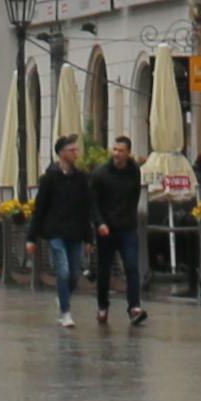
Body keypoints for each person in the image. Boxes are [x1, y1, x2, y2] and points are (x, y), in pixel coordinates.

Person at [31, 138, 94, 328]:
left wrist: (88, 237)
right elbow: (40, 208)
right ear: (61, 153)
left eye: (76, 149)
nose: (76, 153)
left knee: (74, 274)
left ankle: (63, 295)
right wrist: (31, 237)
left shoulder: (82, 178)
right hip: (55, 231)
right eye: (72, 150)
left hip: (75, 232)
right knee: (63, 270)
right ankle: (65, 312)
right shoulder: (49, 179)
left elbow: (86, 208)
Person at [89, 138, 147, 332]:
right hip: (106, 229)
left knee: (131, 265)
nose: (116, 154)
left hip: (127, 227)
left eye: (121, 150)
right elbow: (93, 202)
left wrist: (129, 216)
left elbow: (135, 195)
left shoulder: (134, 171)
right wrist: (100, 223)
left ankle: (134, 307)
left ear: (128, 152)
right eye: (114, 150)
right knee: (104, 270)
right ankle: (103, 306)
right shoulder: (100, 173)